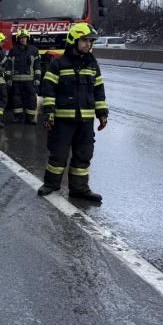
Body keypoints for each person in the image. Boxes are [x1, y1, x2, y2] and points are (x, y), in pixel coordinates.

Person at [38, 23, 108, 203]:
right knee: (58, 154)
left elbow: (98, 90)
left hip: (85, 122)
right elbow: (48, 90)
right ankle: (51, 184)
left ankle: (79, 189)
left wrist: (102, 113)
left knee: (84, 155)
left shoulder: (92, 64)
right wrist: (48, 114)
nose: (88, 44)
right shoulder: (58, 64)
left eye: (90, 41)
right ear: (73, 40)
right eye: (85, 40)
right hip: (62, 121)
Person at [6, 29, 41, 124]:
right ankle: (18, 117)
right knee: (17, 99)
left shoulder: (34, 50)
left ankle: (30, 118)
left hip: (30, 80)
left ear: (28, 38)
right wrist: (8, 78)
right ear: (18, 39)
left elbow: (37, 66)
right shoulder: (13, 51)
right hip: (16, 80)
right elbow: (8, 65)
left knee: (31, 99)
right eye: (21, 38)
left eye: (24, 37)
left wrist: (37, 78)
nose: (23, 40)